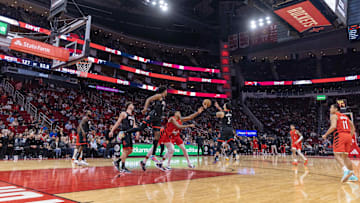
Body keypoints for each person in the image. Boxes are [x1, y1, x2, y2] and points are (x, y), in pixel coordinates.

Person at [152, 106, 204, 171]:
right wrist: (189, 125)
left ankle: (189, 163)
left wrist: (198, 112)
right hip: (170, 136)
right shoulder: (172, 119)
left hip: (177, 137)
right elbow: (179, 126)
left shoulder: (180, 119)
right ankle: (167, 164)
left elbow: (190, 117)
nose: (179, 113)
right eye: (178, 113)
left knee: (184, 149)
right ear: (175, 114)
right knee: (171, 151)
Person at [125, 87, 167, 163]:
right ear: (164, 91)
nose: (167, 92)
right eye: (166, 91)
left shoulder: (163, 98)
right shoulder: (159, 95)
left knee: (157, 137)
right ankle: (125, 132)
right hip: (152, 115)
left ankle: (153, 155)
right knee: (140, 128)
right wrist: (145, 109)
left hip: (158, 118)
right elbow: (148, 99)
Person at [322, 104, 358, 182]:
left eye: (331, 108)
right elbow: (353, 128)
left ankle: (346, 171)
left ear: (336, 109)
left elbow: (333, 126)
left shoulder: (334, 116)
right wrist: (350, 136)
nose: (330, 109)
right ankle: (352, 175)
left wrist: (325, 134)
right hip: (348, 136)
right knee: (345, 157)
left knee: (336, 155)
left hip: (340, 135)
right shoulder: (346, 117)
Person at [109, 102, 139, 173]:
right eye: (132, 105)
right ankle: (123, 167)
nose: (133, 106)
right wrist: (112, 131)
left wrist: (137, 132)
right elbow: (118, 122)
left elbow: (134, 126)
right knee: (125, 150)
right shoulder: (124, 113)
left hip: (130, 134)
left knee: (130, 150)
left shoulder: (132, 116)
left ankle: (117, 161)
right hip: (124, 133)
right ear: (128, 106)